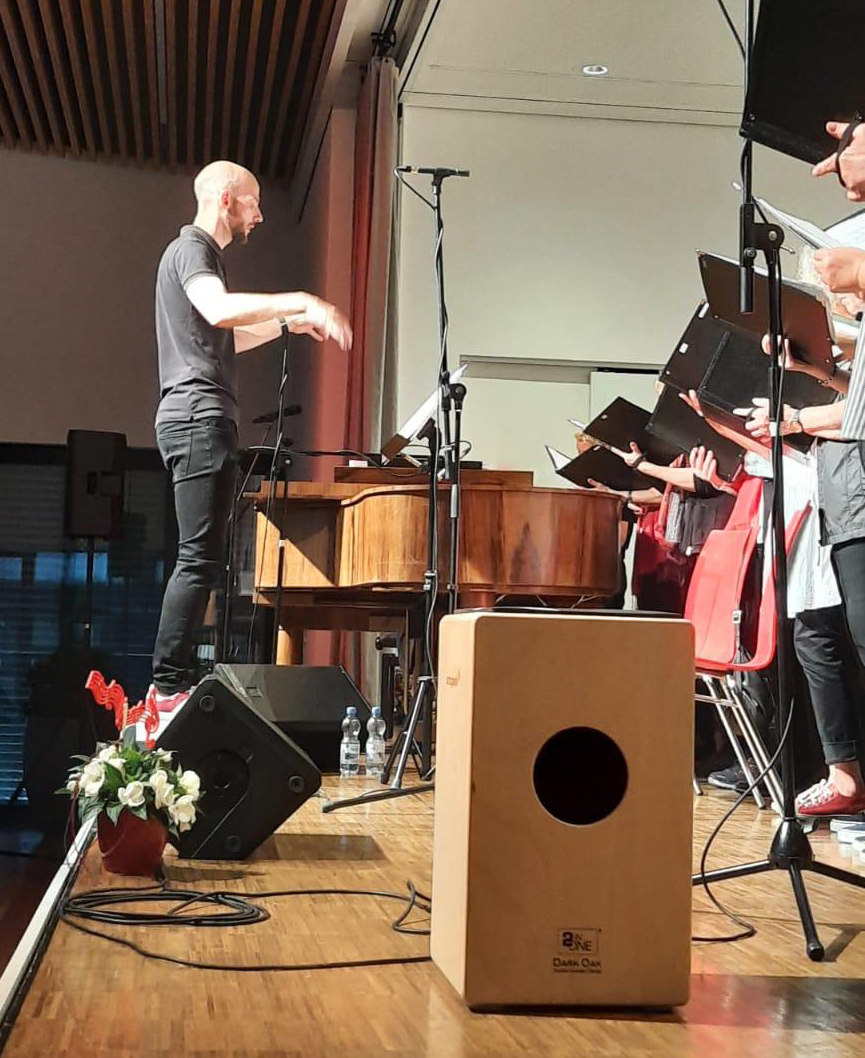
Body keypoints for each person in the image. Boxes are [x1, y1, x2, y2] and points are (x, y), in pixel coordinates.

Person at [147, 160, 353, 720]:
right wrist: (302, 300)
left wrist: (286, 325)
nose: (259, 214)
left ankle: (169, 684)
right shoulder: (191, 248)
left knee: (201, 559)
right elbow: (220, 311)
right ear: (225, 199)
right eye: (253, 201)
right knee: (197, 560)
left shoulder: (196, 257)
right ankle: (166, 688)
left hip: (196, 417)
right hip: (198, 417)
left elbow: (225, 337)